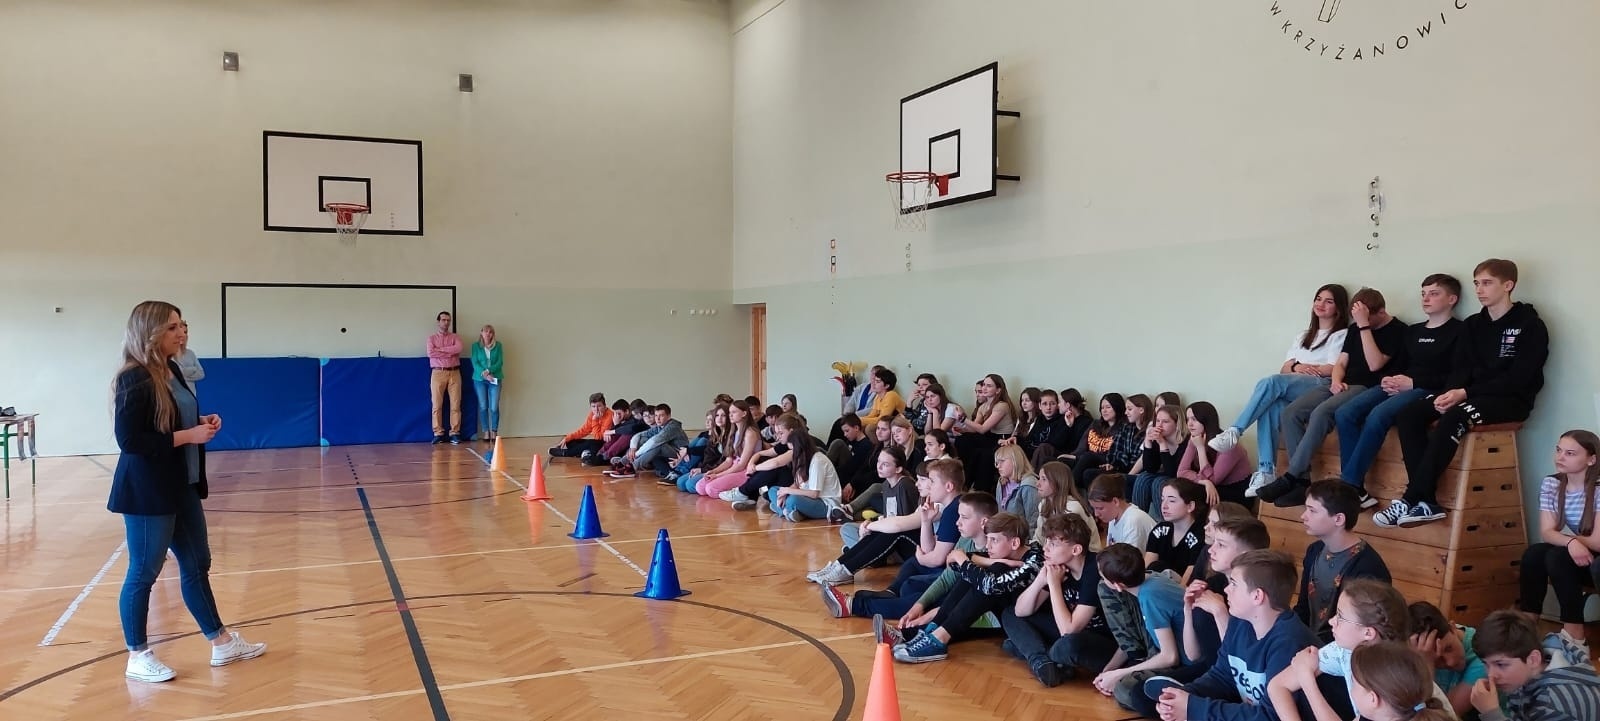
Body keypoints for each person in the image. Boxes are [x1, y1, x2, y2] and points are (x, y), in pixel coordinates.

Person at [110, 301, 266, 683]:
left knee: (197, 564)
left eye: (182, 326)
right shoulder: (135, 377)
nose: (182, 333)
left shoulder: (172, 368)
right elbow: (131, 440)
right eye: (172, 328)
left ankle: (222, 642)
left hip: (183, 485)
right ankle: (137, 654)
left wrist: (199, 422)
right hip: (149, 491)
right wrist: (187, 436)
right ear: (150, 333)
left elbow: (168, 419)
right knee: (144, 572)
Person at [1377, 259, 1550, 528]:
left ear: (1508, 285)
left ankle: (1411, 497)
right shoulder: (1472, 325)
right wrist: (1449, 393)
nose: (1480, 290)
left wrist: (1463, 393)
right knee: (1410, 414)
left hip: (1510, 400)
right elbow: (1461, 368)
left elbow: (1519, 379)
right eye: (1477, 283)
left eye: (1487, 283)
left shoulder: (1530, 325)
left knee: (1455, 415)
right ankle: (1427, 502)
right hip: (1469, 393)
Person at [1261, 287, 1408, 508]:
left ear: (1380, 312)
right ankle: (1302, 480)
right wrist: (1337, 380)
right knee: (1291, 413)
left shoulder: (1397, 330)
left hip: (1367, 386)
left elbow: (1375, 363)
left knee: (1322, 413)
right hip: (1342, 382)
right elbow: (1340, 363)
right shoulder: (1353, 329)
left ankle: (1291, 476)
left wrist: (1364, 326)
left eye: (1365, 318)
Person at [1210, 284, 1351, 496]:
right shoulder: (1303, 335)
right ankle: (1266, 470)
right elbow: (1285, 368)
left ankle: (1235, 431)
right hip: (1298, 383)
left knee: (1271, 383)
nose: (1321, 304)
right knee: (1271, 403)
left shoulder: (1341, 334)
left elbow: (1332, 368)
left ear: (1338, 308)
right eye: (1318, 299)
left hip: (1320, 385)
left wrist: (1302, 369)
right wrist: (1299, 367)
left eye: (1328, 301)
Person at [1334, 274, 1463, 504]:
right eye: (1423, 293)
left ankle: (1349, 483)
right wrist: (1389, 379)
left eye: (1434, 293)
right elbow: (1397, 364)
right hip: (1398, 384)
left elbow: (1456, 374)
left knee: (1378, 415)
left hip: (1425, 389)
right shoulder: (1413, 331)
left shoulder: (1459, 331)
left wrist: (1411, 383)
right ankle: (1354, 485)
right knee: (1345, 412)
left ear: (1452, 299)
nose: (1426, 299)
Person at [1153, 550, 1317, 721]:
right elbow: (1223, 676)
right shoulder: (1240, 622)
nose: (1226, 589)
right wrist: (1184, 695)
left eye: (1234, 584)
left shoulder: (1289, 643)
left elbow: (1271, 717)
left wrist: (1193, 707)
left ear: (1257, 596)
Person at [885, 512, 1043, 663]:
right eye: (987, 539)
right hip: (999, 608)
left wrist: (968, 561)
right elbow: (955, 562)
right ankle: (930, 631)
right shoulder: (1007, 555)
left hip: (1020, 619)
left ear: (1015, 543)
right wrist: (992, 562)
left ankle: (936, 637)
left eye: (994, 540)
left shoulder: (1034, 561)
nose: (988, 546)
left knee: (985, 574)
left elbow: (990, 586)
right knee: (975, 572)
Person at [1002, 513, 1118, 687]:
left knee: (1068, 645)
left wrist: (1054, 585)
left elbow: (1069, 630)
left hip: (1100, 642)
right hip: (1069, 632)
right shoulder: (1059, 567)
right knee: (1009, 613)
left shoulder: (1094, 571)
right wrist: (1042, 580)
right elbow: (1020, 611)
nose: (1045, 549)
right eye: (1047, 542)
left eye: (1053, 544)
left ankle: (1036, 652)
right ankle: (1042, 661)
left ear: (1076, 550)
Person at [1516, 430, 1600, 642]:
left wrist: (1571, 543)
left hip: (1597, 555)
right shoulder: (1552, 484)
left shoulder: (1598, 488)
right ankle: (1527, 627)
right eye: (1558, 450)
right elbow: (1547, 532)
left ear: (1591, 459)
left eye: (1570, 453)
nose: (1560, 457)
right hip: (1585, 552)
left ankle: (1574, 633)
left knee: (1557, 556)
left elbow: (1598, 542)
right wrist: (1571, 541)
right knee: (1535, 554)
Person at [1295, 480, 1391, 643]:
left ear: (1338, 519)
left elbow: (1364, 630)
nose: (1303, 516)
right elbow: (1304, 608)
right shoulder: (1314, 551)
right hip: (1307, 644)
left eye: (1312, 510)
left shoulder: (1367, 567)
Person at [1470, 609, 1600, 721]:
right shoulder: (1525, 677)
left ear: (1533, 659)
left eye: (1501, 664)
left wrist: (1492, 714)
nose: (1491, 675)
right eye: (1486, 664)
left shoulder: (1553, 703)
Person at [1409, 601, 1490, 718]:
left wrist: (1426, 666)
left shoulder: (1483, 654)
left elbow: (1446, 716)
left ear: (1453, 627)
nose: (1450, 662)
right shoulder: (1417, 653)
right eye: (1437, 660)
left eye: (1448, 648)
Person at [426, 310, 465, 445]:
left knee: (456, 404)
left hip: (454, 373)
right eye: (443, 320)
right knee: (437, 405)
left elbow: (459, 348)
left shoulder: (455, 337)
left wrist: (441, 350)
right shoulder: (431, 339)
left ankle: (455, 433)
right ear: (438, 322)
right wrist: (450, 352)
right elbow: (431, 353)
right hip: (437, 373)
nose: (446, 322)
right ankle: (438, 433)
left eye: (448, 320)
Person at [550, 394, 615, 460]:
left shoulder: (609, 415)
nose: (596, 409)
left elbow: (598, 437)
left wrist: (595, 420)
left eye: (599, 406)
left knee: (591, 443)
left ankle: (566, 453)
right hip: (596, 441)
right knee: (570, 442)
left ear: (604, 405)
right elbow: (584, 430)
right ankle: (583, 452)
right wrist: (567, 438)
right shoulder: (592, 414)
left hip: (605, 444)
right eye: (593, 406)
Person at [469, 324, 504, 442]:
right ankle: (486, 431)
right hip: (480, 380)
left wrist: (489, 372)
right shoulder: (475, 346)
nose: (488, 334)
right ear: (481, 333)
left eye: (490, 332)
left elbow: (500, 362)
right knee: (483, 406)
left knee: (494, 407)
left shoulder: (498, 346)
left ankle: (494, 430)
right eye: (486, 331)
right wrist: (485, 374)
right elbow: (475, 362)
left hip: (495, 378)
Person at [174, 324, 203, 395]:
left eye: (185, 332)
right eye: (180, 332)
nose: (183, 335)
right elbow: (173, 376)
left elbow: (201, 374)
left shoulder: (190, 353)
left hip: (191, 395)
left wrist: (182, 377)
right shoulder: (169, 355)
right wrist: (193, 369)